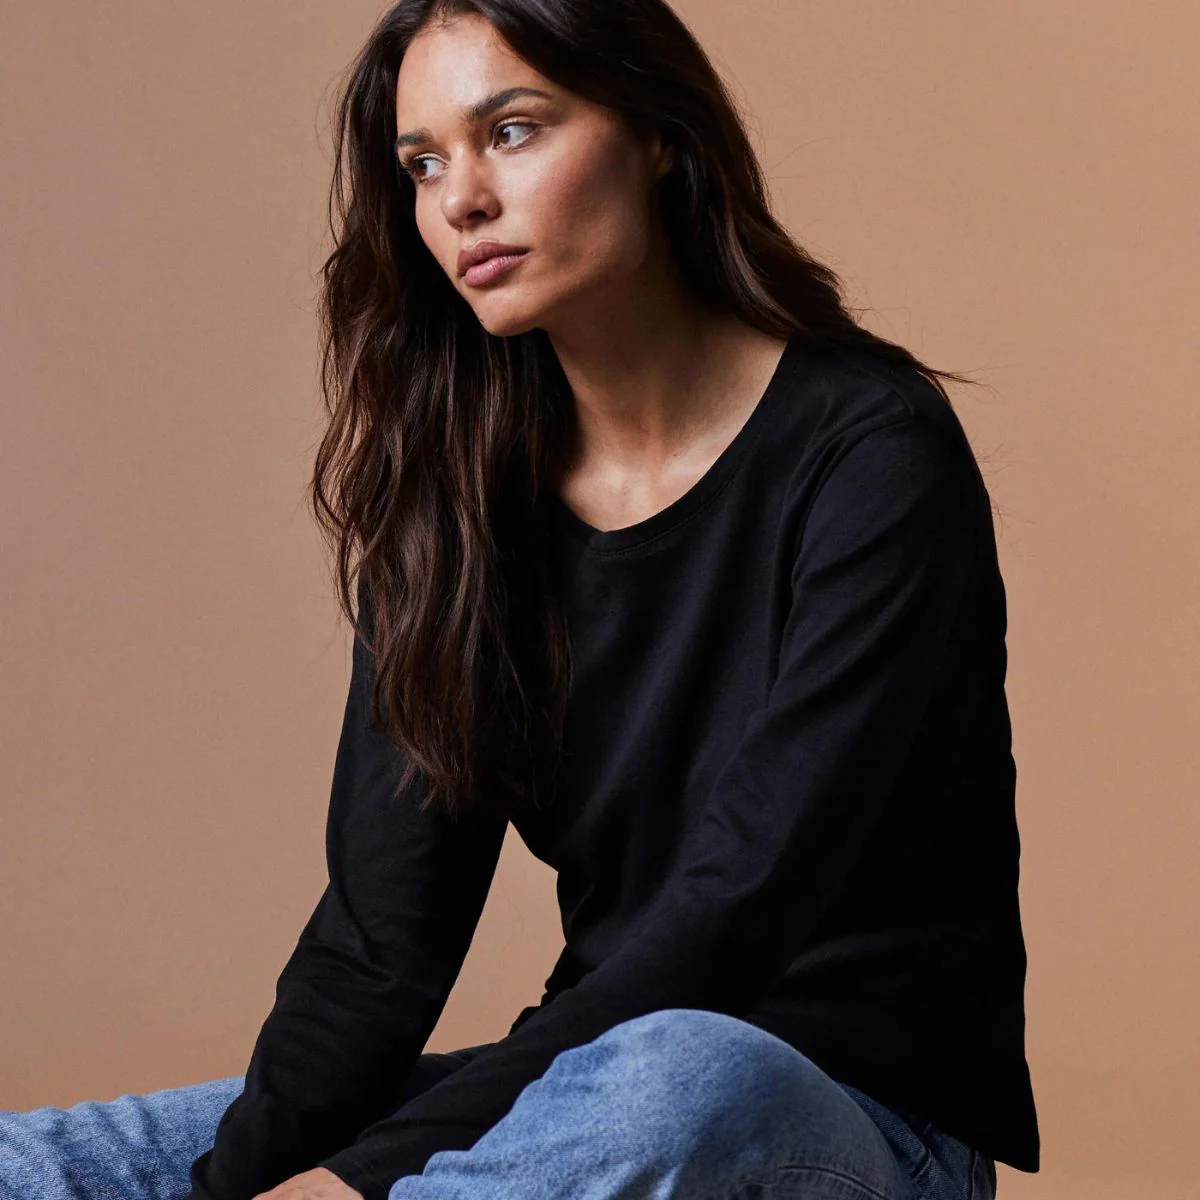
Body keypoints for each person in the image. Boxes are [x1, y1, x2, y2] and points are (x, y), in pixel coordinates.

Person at [0, 1, 1040, 1198]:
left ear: (657, 132)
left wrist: (358, 1183)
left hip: (848, 1123)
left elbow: (738, 908)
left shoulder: (870, 451)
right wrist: (237, 1185)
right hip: (581, 1090)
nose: (461, 200)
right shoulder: (457, 500)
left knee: (681, 1074)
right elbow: (378, 951)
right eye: (422, 163)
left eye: (512, 131)